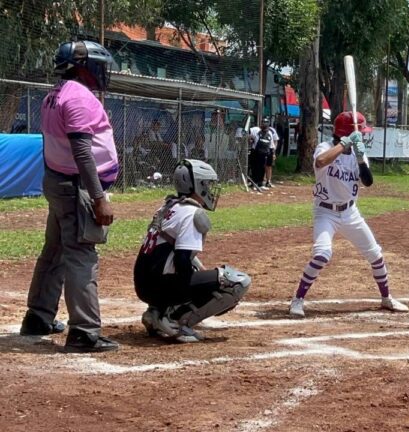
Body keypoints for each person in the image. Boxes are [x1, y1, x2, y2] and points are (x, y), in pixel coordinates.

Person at [20, 40, 119, 352]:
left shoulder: (55, 94)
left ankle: (38, 317)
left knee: (55, 251)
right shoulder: (77, 96)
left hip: (59, 182)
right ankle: (84, 332)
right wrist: (98, 196)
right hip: (75, 186)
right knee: (81, 254)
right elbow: (82, 151)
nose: (102, 73)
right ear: (83, 67)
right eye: (98, 66)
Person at [289, 111, 409, 318]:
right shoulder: (325, 148)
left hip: (350, 212)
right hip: (325, 212)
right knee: (322, 255)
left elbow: (368, 182)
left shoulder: (357, 153)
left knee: (375, 255)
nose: (362, 135)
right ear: (348, 132)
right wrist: (344, 145)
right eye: (360, 132)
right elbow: (320, 162)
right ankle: (297, 300)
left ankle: (386, 298)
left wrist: (361, 159)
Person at [134, 159, 251, 342]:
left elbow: (174, 252)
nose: (210, 190)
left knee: (198, 272)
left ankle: (156, 311)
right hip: (158, 286)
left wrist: (201, 276)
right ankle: (174, 320)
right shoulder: (191, 213)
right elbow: (181, 260)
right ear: (196, 184)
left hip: (144, 284)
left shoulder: (169, 206)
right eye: (206, 184)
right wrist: (197, 290)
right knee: (237, 282)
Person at [248, 118, 274, 189]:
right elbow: (248, 135)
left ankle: (260, 183)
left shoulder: (270, 133)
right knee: (254, 168)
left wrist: (272, 153)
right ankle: (254, 183)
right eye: (263, 123)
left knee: (262, 168)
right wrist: (250, 139)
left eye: (266, 123)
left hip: (264, 153)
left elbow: (271, 145)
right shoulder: (255, 130)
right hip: (255, 152)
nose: (264, 124)